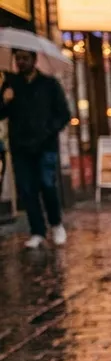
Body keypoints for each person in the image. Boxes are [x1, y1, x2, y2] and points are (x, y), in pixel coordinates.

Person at [0, 49, 71, 249]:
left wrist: (48, 130)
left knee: (47, 185)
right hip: (21, 147)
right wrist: (4, 100)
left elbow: (64, 114)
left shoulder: (49, 84)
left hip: (45, 145)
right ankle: (37, 231)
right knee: (27, 189)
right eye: (18, 58)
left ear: (34, 59)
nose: (20, 62)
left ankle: (56, 224)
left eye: (25, 58)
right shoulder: (11, 84)